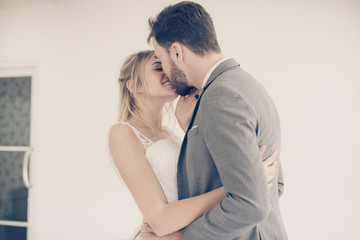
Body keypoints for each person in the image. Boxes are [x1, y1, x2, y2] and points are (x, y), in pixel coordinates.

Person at [141, 1, 288, 240]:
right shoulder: (247, 85)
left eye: (161, 59)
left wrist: (182, 238)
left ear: (177, 52)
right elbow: (275, 186)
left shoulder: (221, 96)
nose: (165, 73)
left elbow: (250, 203)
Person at [108, 50, 278, 239]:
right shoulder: (122, 133)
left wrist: (188, 127)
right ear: (134, 86)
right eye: (158, 67)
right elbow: (161, 221)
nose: (168, 71)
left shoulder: (169, 133)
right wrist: (246, 184)